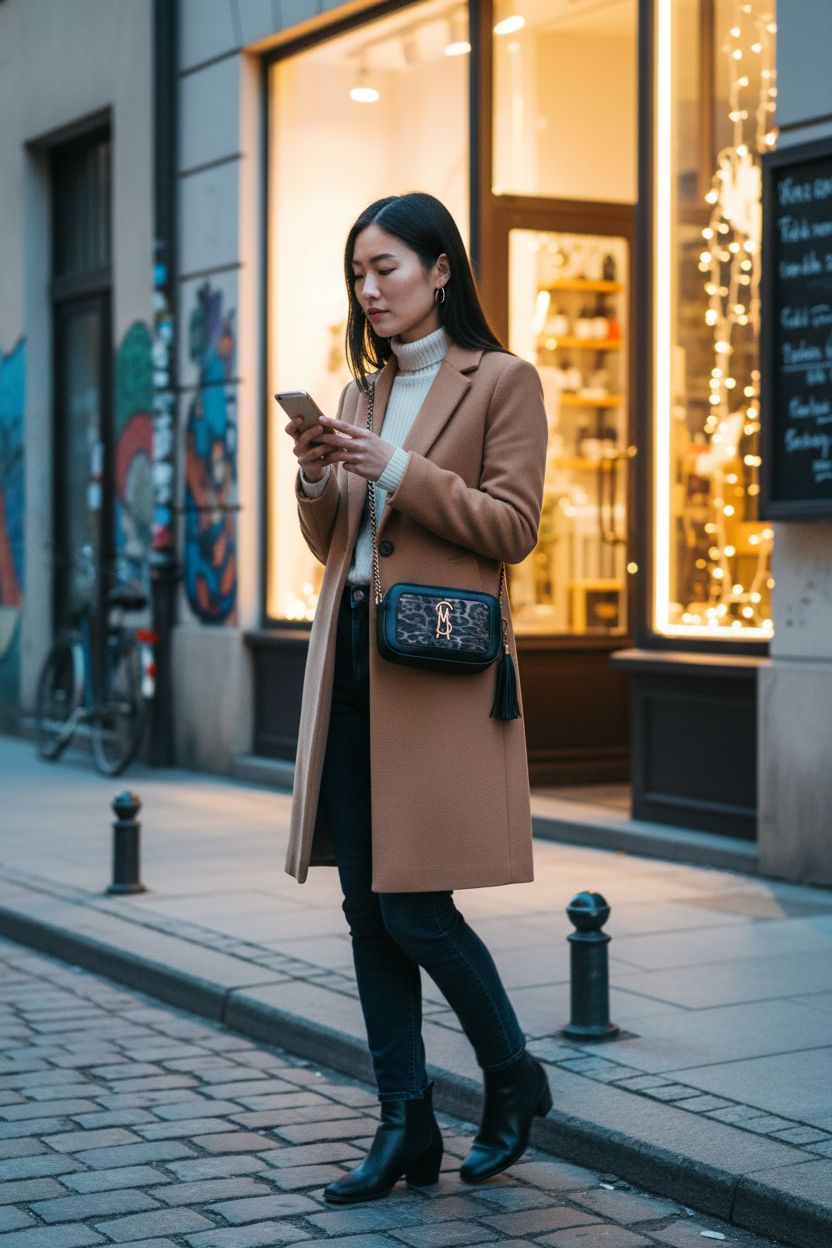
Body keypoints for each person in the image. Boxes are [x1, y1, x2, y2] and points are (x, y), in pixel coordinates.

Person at [283, 192, 550, 1205]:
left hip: (436, 675)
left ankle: (513, 1077)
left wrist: (396, 464)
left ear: (440, 269)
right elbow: (337, 545)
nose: (368, 289)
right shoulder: (360, 392)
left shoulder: (503, 381)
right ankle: (405, 1125)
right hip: (350, 665)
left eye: (384, 268)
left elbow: (512, 525)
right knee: (363, 906)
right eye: (357, 273)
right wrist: (318, 479)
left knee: (413, 906)